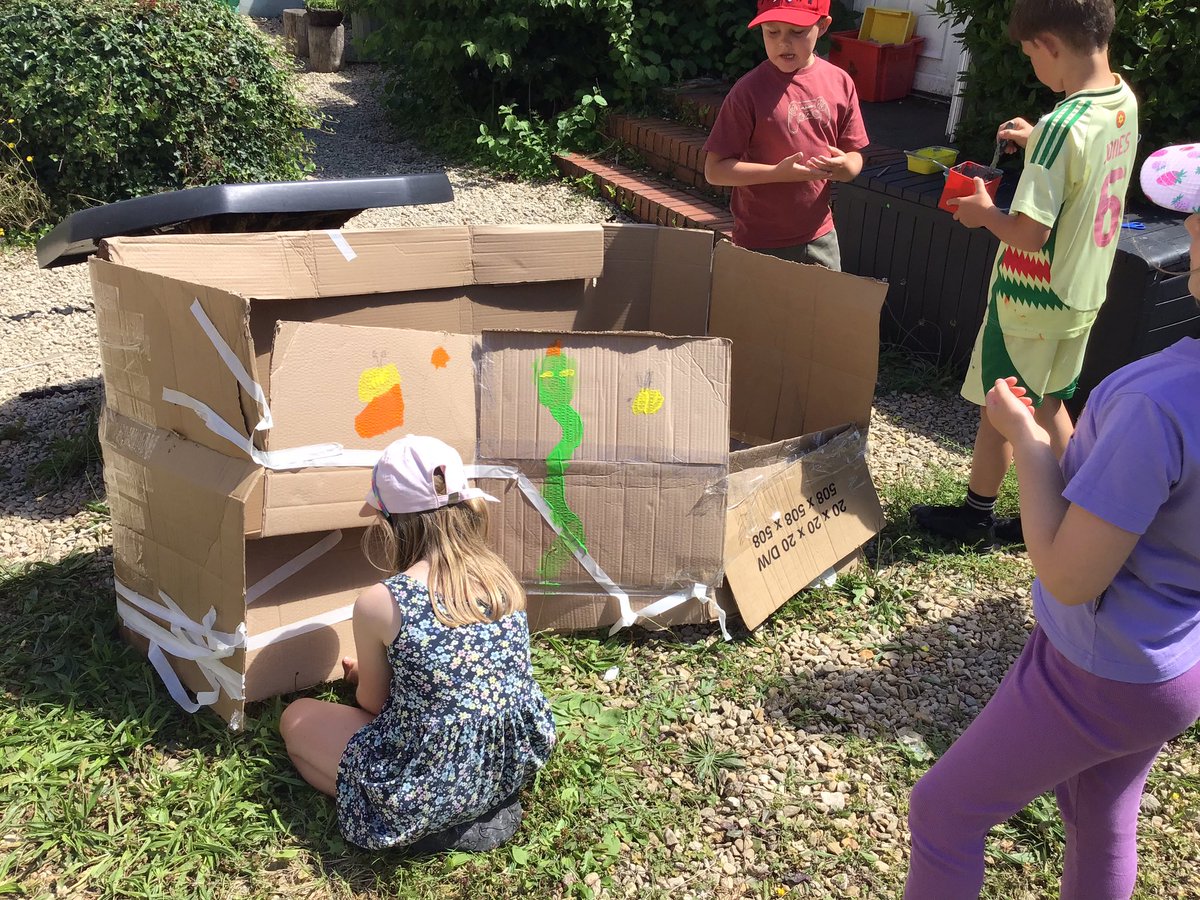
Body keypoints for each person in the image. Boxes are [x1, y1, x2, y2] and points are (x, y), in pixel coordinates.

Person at [904, 145, 1200, 899]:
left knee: (943, 812)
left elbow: (1070, 574)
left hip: (1097, 668)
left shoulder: (1156, 400)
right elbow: (1141, 512)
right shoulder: (1162, 405)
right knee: (1101, 806)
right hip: (1174, 661)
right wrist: (1067, 436)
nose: (1190, 227)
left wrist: (1028, 444)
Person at [910, 0, 1138, 546]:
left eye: (1031, 53)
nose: (1033, 64)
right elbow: (1086, 167)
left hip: (1030, 299)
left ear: (1050, 46)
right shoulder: (1120, 100)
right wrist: (1040, 140)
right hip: (1083, 292)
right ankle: (1090, 499)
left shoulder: (1062, 125)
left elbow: (1028, 232)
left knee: (1003, 403)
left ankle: (978, 515)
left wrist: (982, 211)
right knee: (1049, 400)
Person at [279, 435, 556, 853]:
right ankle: (477, 809)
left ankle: (414, 820)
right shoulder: (500, 579)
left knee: (296, 722)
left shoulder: (382, 602)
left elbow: (373, 704)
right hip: (506, 763)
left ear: (388, 522)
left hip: (430, 780)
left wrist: (360, 677)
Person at [702, 0, 869, 269]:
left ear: (823, 25)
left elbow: (854, 154)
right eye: (772, 32)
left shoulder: (840, 82)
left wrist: (848, 168)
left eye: (797, 32)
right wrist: (777, 174)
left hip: (821, 236)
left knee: (824, 311)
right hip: (760, 243)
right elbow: (715, 170)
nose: (783, 43)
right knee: (762, 312)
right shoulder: (748, 91)